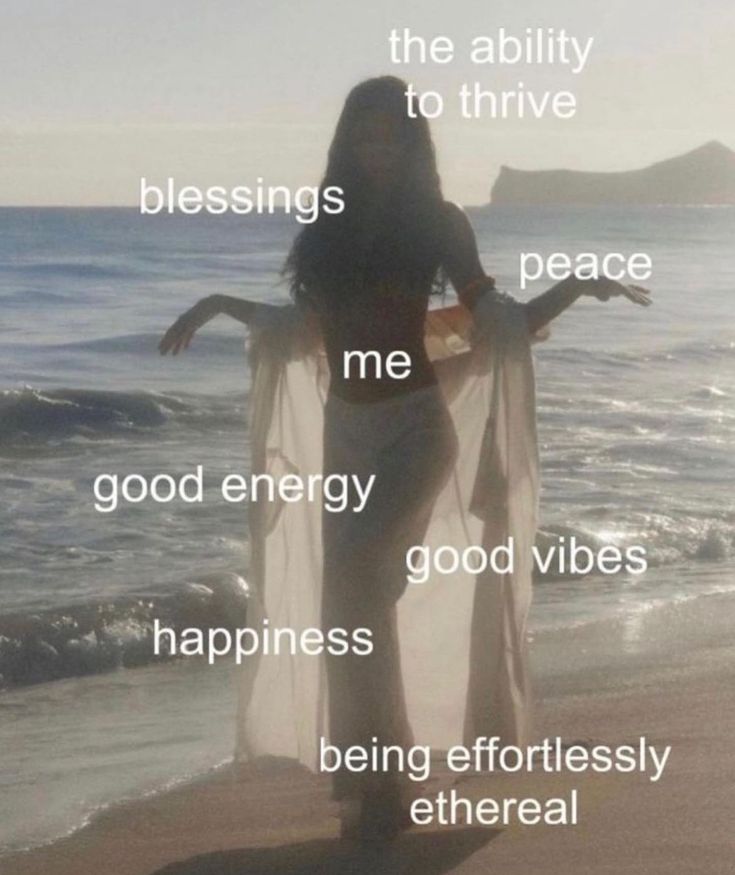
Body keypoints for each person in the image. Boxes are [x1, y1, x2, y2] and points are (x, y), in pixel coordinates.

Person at [159, 76, 650, 843]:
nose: (378, 147)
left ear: (412, 141)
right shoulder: (328, 227)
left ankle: (389, 783)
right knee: (346, 612)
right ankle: (370, 777)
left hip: (417, 433)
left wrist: (573, 287)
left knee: (356, 591)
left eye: (392, 134)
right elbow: (304, 328)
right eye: (366, 134)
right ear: (348, 142)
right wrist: (218, 303)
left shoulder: (437, 222)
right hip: (345, 436)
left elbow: (493, 316)